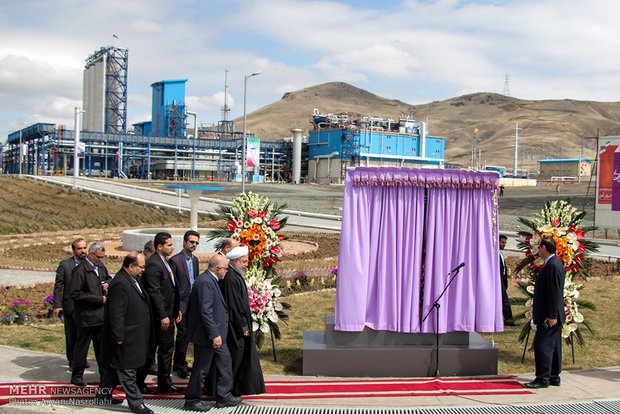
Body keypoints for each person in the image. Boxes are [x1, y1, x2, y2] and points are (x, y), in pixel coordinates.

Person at [96, 252, 154, 414]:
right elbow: (116, 313)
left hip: (133, 334)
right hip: (124, 337)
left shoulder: (133, 280)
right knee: (127, 370)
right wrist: (119, 336)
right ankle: (136, 404)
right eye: (141, 267)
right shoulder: (120, 283)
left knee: (114, 369)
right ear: (130, 266)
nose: (143, 270)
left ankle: (102, 395)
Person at [183, 255, 241, 411]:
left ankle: (224, 395)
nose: (226, 273)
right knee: (201, 368)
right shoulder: (205, 283)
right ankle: (192, 399)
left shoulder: (210, 281)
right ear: (219, 268)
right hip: (207, 336)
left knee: (225, 362)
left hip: (216, 335)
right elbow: (205, 311)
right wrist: (214, 334)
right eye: (226, 269)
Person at [141, 232, 183, 394]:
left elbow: (171, 289)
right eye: (169, 245)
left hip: (169, 313)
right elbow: (155, 292)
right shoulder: (153, 264)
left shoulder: (165, 262)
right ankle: (139, 382)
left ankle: (165, 383)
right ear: (159, 247)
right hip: (159, 317)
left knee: (167, 350)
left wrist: (175, 309)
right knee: (151, 351)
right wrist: (163, 315)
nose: (172, 248)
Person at [223, 246, 266, 396]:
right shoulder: (231, 279)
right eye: (243, 262)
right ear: (234, 261)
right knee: (236, 356)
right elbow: (235, 306)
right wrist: (243, 325)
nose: (246, 265)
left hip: (240, 325)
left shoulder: (235, 276)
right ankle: (230, 389)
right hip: (236, 328)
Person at [524, 237, 566, 389]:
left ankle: (543, 378)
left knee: (543, 346)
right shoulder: (552, 264)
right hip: (552, 314)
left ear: (545, 248)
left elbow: (554, 292)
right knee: (553, 346)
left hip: (550, 316)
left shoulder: (553, 265)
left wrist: (552, 315)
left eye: (539, 247)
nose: (538, 250)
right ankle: (554, 376)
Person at [69, 242, 111, 387]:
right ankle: (77, 375)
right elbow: (75, 294)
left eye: (102, 257)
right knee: (82, 349)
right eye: (99, 257)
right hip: (86, 318)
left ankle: (104, 376)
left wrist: (108, 285)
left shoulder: (100, 267)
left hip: (100, 317)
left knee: (102, 350)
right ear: (91, 254)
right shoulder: (80, 271)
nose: (100, 259)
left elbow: (109, 278)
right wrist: (98, 299)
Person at [169, 230, 200, 379]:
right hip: (181, 304)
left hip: (192, 303)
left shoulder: (195, 260)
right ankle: (179, 365)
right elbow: (173, 286)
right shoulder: (175, 261)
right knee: (182, 334)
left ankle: (179, 363)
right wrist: (177, 307)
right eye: (191, 242)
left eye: (196, 243)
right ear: (184, 242)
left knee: (188, 335)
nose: (194, 245)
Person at [52, 238, 87, 369]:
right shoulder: (65, 265)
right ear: (74, 250)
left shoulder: (90, 264)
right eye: (79, 249)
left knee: (83, 336)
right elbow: (58, 286)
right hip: (70, 307)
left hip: (85, 306)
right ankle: (72, 360)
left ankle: (81, 359)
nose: (83, 251)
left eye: (84, 248)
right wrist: (57, 304)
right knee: (71, 335)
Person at [499, 235, 514, 326]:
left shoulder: (500, 253)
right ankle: (509, 320)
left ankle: (508, 320)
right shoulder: (494, 253)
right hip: (498, 282)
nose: (504, 245)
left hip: (502, 280)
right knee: (505, 301)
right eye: (502, 242)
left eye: (505, 243)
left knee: (504, 301)